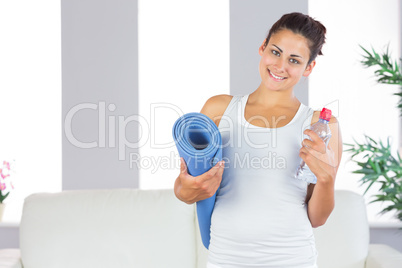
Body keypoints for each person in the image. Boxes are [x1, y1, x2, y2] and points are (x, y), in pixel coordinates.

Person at [174, 12, 342, 268]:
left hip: (292, 259)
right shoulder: (218, 109)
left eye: (294, 60)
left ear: (309, 67)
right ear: (262, 47)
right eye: (275, 52)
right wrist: (187, 189)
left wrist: (327, 178)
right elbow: (185, 189)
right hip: (226, 258)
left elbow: (317, 218)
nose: (280, 66)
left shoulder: (320, 125)